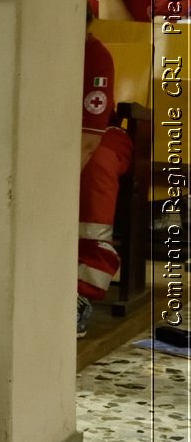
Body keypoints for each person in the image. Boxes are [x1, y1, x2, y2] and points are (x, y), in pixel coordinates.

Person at [76, 25, 131, 339]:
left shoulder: (94, 53)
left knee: (96, 163)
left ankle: (81, 289)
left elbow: (89, 138)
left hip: (101, 132)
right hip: (47, 127)